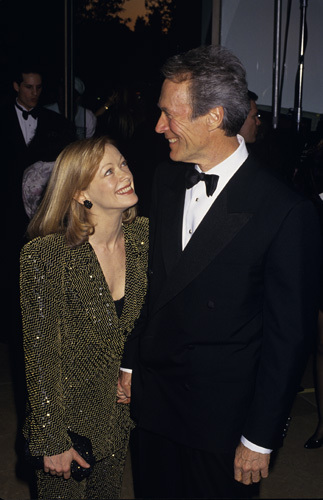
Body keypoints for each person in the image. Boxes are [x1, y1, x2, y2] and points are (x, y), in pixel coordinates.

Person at [123, 45, 322, 499]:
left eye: (168, 115)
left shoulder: (285, 211)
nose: (158, 127)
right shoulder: (166, 178)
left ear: (213, 117)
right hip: (155, 402)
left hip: (220, 420)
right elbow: (154, 287)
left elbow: (287, 340)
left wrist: (260, 436)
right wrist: (131, 360)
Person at [20, 136, 148, 499]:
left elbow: (150, 322)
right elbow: (41, 356)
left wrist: (134, 370)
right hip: (66, 425)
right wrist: (51, 439)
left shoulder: (145, 237)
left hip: (120, 419)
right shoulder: (45, 256)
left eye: (123, 163)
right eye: (109, 171)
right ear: (79, 193)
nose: (125, 174)